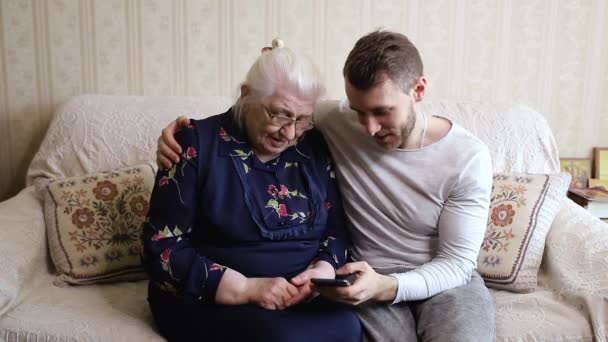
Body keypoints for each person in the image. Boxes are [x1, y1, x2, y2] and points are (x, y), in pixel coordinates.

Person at [157, 31, 495, 341]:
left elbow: (455, 263)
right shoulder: (330, 123)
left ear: (418, 90)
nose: (369, 129)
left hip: (438, 282)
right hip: (356, 278)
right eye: (360, 112)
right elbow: (272, 97)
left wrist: (353, 276)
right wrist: (184, 134)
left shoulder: (468, 157)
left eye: (382, 112)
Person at [141, 39, 361, 342]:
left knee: (348, 327)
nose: (289, 132)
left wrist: (322, 270)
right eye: (279, 114)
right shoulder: (195, 143)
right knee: (281, 338)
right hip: (215, 298)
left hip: (301, 296)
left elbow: (336, 230)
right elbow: (159, 246)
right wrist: (244, 289)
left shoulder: (313, 146)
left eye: (301, 120)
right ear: (246, 96)